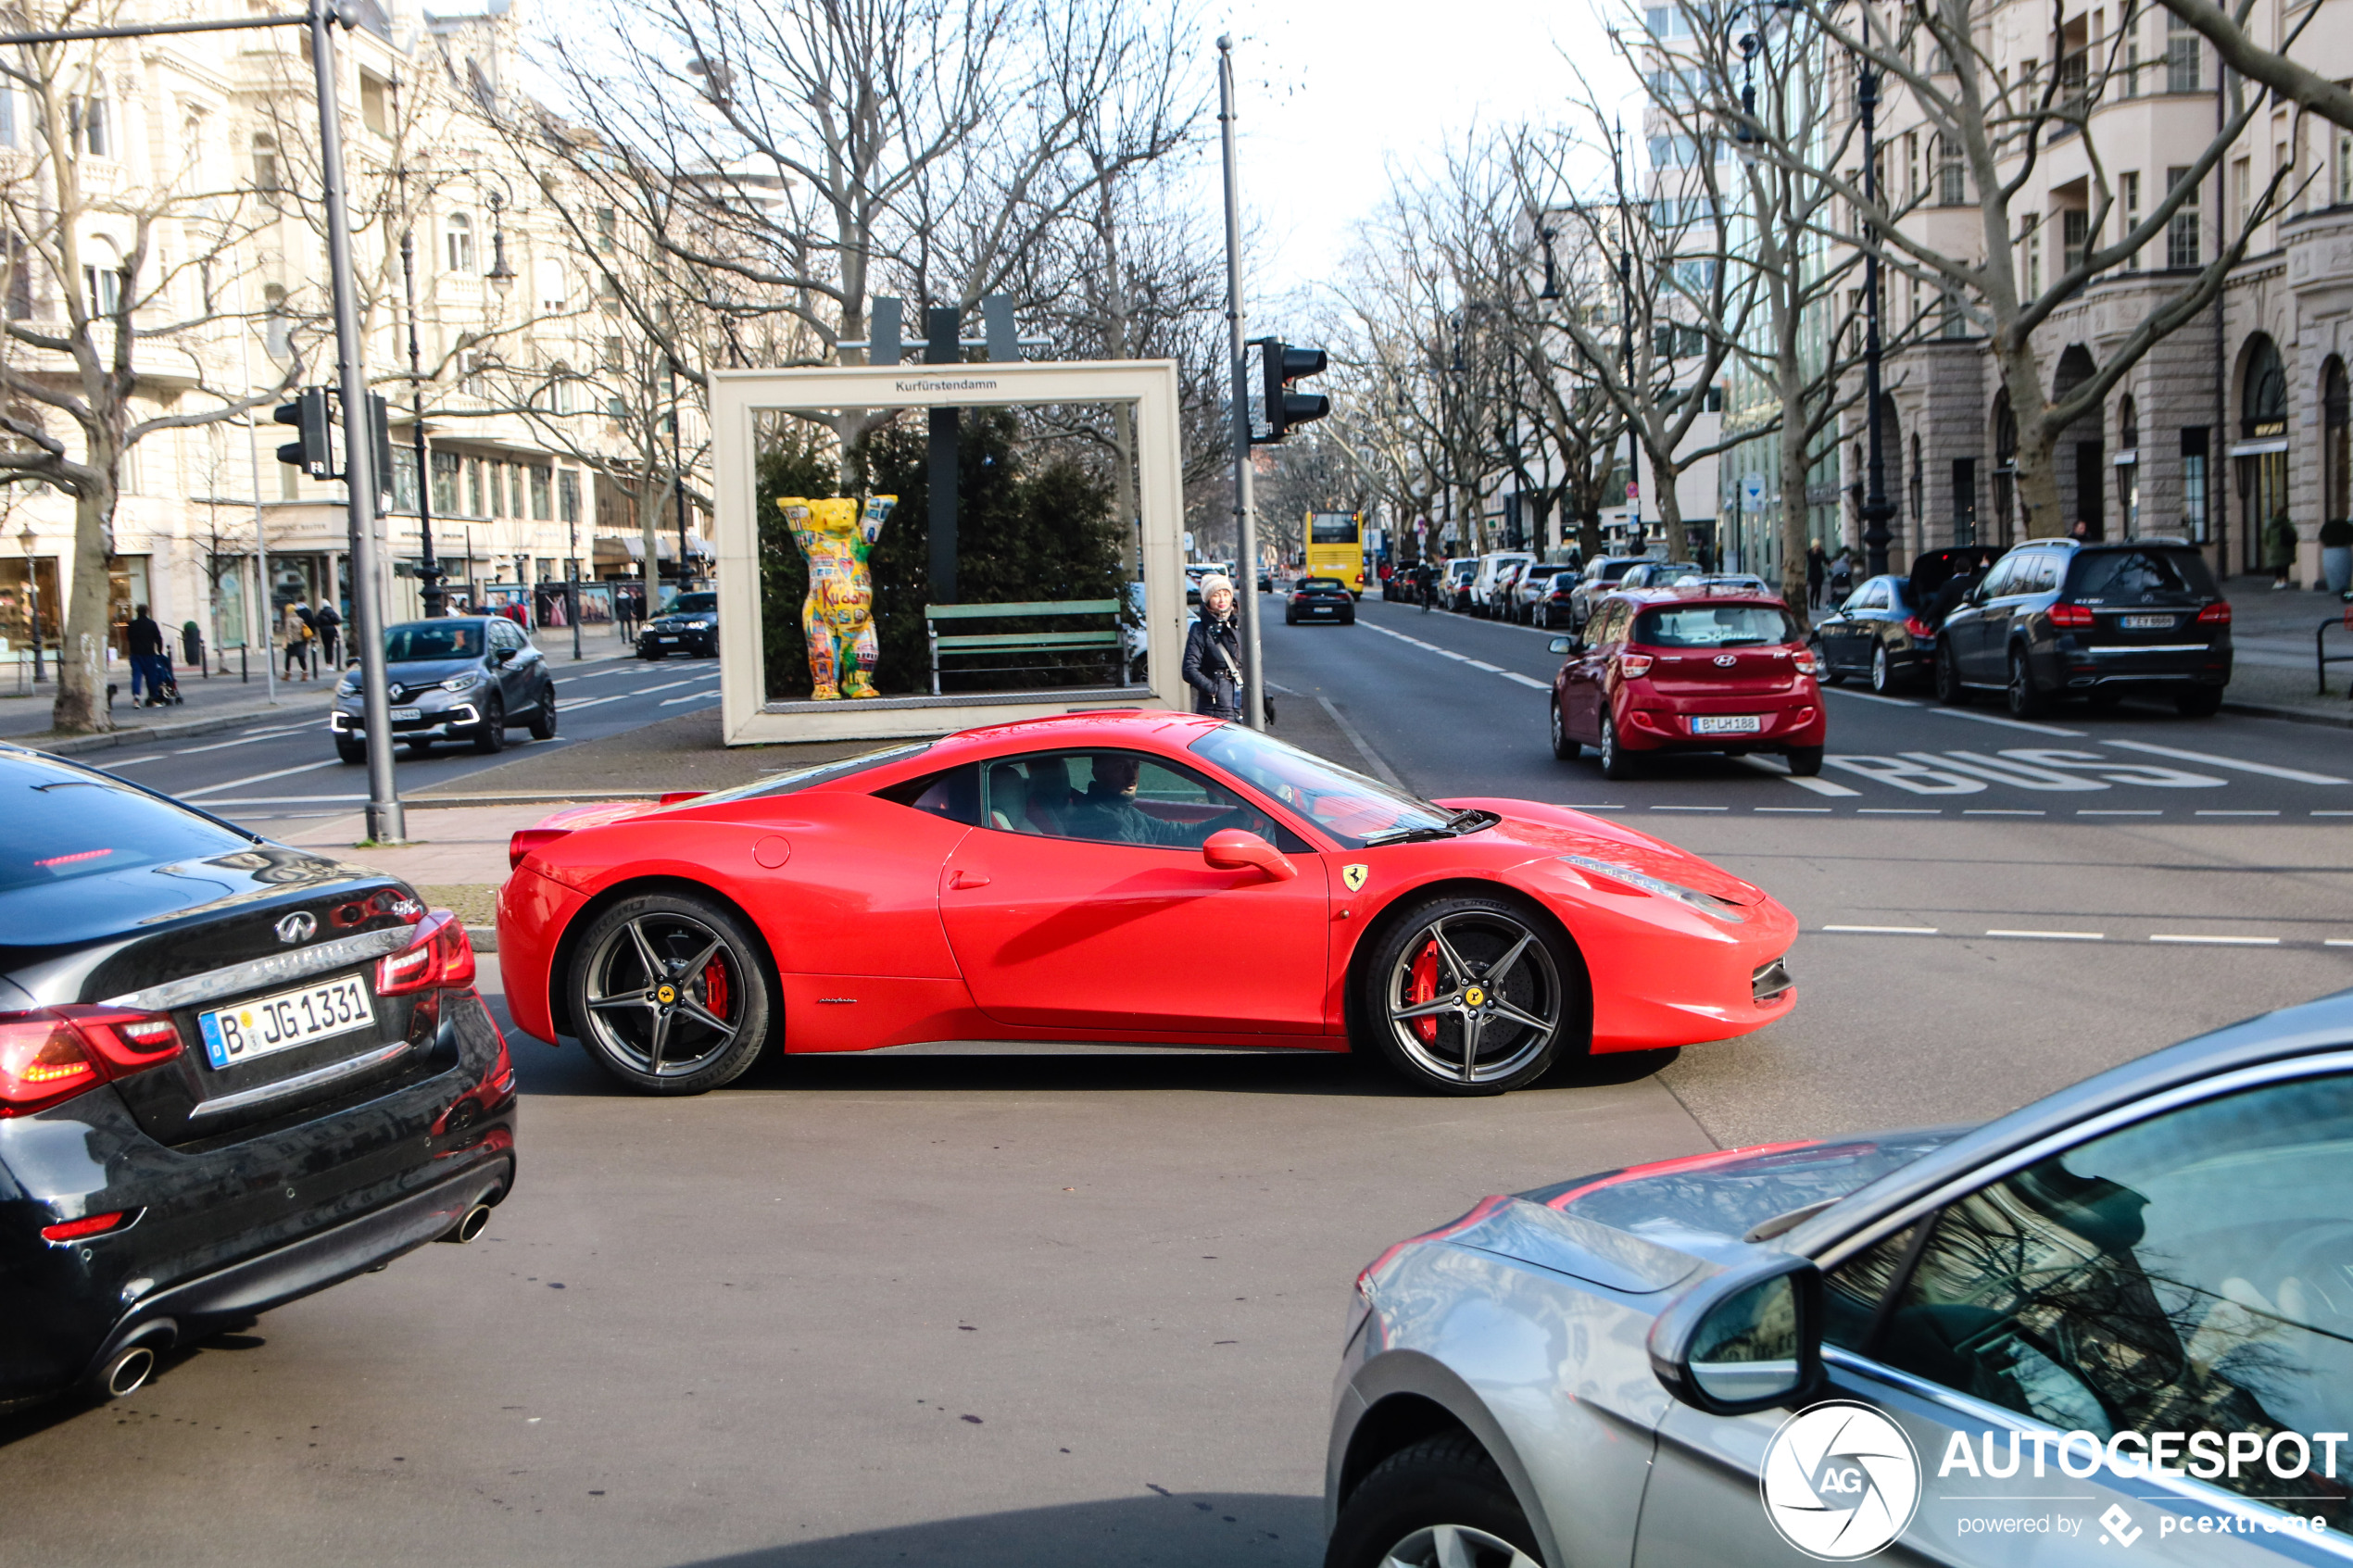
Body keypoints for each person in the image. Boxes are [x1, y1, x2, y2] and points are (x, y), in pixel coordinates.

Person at [1064, 755, 1213, 847]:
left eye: (1135, 766)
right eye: (1121, 767)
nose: (1132, 776)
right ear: (1097, 772)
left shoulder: (1121, 810)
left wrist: (1233, 819)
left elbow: (1177, 834)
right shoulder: (1103, 825)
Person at [1181, 573, 1244, 720]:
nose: (1222, 599)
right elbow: (1189, 669)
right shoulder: (1200, 629)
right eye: (1216, 595)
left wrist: (1266, 697)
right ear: (1208, 599)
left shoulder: (1240, 625)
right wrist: (1215, 689)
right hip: (1215, 707)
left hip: (1242, 703)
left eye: (1226, 594)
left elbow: (1254, 664)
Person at [126, 604, 167, 706]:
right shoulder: (152, 624)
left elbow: (129, 638)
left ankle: (136, 697)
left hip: (135, 654)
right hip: (149, 653)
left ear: (137, 612)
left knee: (136, 676)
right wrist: (160, 651)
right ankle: (153, 697)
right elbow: (158, 638)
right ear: (147, 612)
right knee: (151, 676)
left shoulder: (132, 624)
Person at [282, 600, 315, 681]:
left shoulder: (288, 620)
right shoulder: (300, 619)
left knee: (288, 658)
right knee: (301, 658)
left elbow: (288, 632)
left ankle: (287, 675)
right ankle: (305, 673)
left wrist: (289, 642)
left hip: (293, 641)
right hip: (301, 640)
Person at [2267, 510, 2297, 589]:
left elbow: (2265, 536)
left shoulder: (2272, 524)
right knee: (2284, 565)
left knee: (2277, 565)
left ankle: (2278, 581)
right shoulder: (2286, 524)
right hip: (2286, 548)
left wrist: (2271, 544)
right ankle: (2284, 581)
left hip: (2275, 548)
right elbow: (2293, 534)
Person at [313, 598, 342, 669]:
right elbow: (338, 621)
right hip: (332, 630)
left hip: (324, 631)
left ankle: (327, 662)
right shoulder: (332, 612)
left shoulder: (321, 613)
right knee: (330, 647)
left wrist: (321, 626)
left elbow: (316, 622)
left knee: (326, 647)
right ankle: (331, 662)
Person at [1806, 540, 1827, 608]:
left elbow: (1825, 559)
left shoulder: (1821, 552)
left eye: (1818, 545)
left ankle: (1817, 604)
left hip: (1819, 573)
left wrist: (1830, 563)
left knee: (1818, 589)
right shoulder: (1809, 552)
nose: (1817, 547)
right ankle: (1811, 603)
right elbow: (1811, 561)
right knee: (1813, 588)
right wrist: (1815, 553)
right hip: (1812, 573)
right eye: (1816, 546)